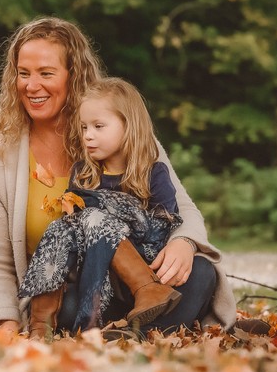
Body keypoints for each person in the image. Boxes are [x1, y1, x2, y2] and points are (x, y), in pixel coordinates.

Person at [0, 17, 239, 337]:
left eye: (46, 73)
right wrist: (5, 320)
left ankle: (129, 333)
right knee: (70, 301)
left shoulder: (124, 136)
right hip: (77, 293)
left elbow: (183, 209)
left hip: (148, 282)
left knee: (202, 272)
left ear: (74, 76)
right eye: (23, 74)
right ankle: (129, 335)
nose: (31, 85)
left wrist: (183, 242)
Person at [19, 77, 185, 338]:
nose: (88, 135)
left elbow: (161, 229)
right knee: (61, 229)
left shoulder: (153, 172)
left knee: (94, 214)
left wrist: (103, 208)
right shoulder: (83, 173)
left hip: (143, 261)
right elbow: (73, 233)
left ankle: (144, 289)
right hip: (92, 273)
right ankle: (41, 326)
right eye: (84, 127)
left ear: (128, 126)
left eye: (98, 126)